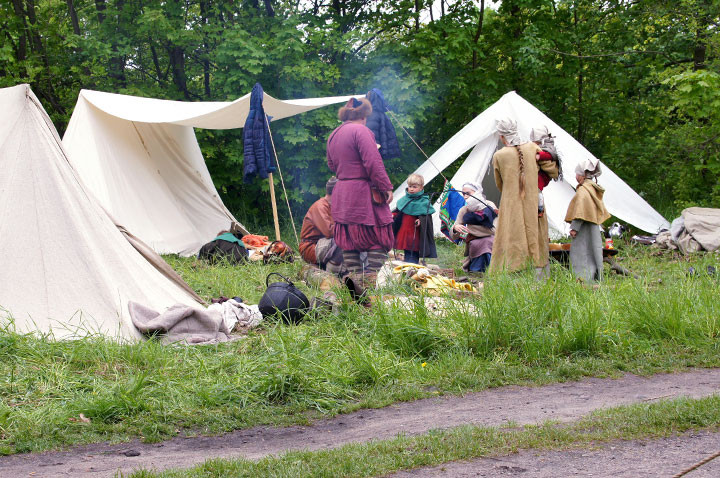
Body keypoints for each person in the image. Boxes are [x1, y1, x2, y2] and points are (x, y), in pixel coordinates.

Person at [327, 97, 394, 276]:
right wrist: (385, 186)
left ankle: (356, 279)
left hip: (342, 191)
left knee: (348, 238)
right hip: (362, 193)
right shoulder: (362, 131)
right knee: (377, 236)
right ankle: (370, 278)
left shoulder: (334, 134)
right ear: (363, 115)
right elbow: (373, 162)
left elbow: (331, 165)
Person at [489, 118, 555, 277]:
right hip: (533, 203)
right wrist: (536, 184)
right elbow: (552, 168)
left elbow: (500, 184)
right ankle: (538, 276)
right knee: (535, 236)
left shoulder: (499, 155)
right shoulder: (533, 147)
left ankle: (513, 274)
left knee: (512, 237)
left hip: (512, 204)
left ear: (502, 136)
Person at [565, 159, 610, 282]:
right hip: (592, 227)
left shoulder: (584, 191)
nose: (576, 176)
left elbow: (580, 211)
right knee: (593, 251)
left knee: (582, 253)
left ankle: (583, 279)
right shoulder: (592, 188)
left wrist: (574, 227)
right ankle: (595, 277)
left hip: (584, 228)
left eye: (577, 174)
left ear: (582, 175)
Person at [299, 176, 344, 274]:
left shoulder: (334, 206)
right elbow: (329, 231)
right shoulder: (320, 206)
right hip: (310, 248)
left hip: (324, 244)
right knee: (342, 239)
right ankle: (332, 272)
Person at [451, 182, 497, 273]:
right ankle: (476, 271)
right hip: (474, 240)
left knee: (488, 242)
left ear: (476, 192)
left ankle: (492, 270)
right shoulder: (464, 209)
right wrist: (455, 228)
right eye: (463, 194)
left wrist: (472, 229)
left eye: (468, 193)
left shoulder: (489, 205)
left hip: (491, 238)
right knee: (477, 244)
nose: (465, 196)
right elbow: (454, 235)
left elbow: (495, 229)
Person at [393, 173, 437, 264]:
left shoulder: (424, 201)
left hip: (415, 234)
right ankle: (406, 268)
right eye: (410, 186)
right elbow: (398, 212)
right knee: (407, 251)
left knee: (413, 254)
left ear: (421, 187)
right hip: (404, 232)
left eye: (414, 186)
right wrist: (393, 215)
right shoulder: (404, 200)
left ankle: (413, 267)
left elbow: (427, 218)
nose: (411, 189)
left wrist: (420, 220)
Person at [529, 125, 562, 216]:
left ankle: (540, 207)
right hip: (540, 173)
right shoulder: (540, 147)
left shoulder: (548, 147)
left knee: (537, 188)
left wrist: (540, 156)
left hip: (543, 176)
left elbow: (551, 155)